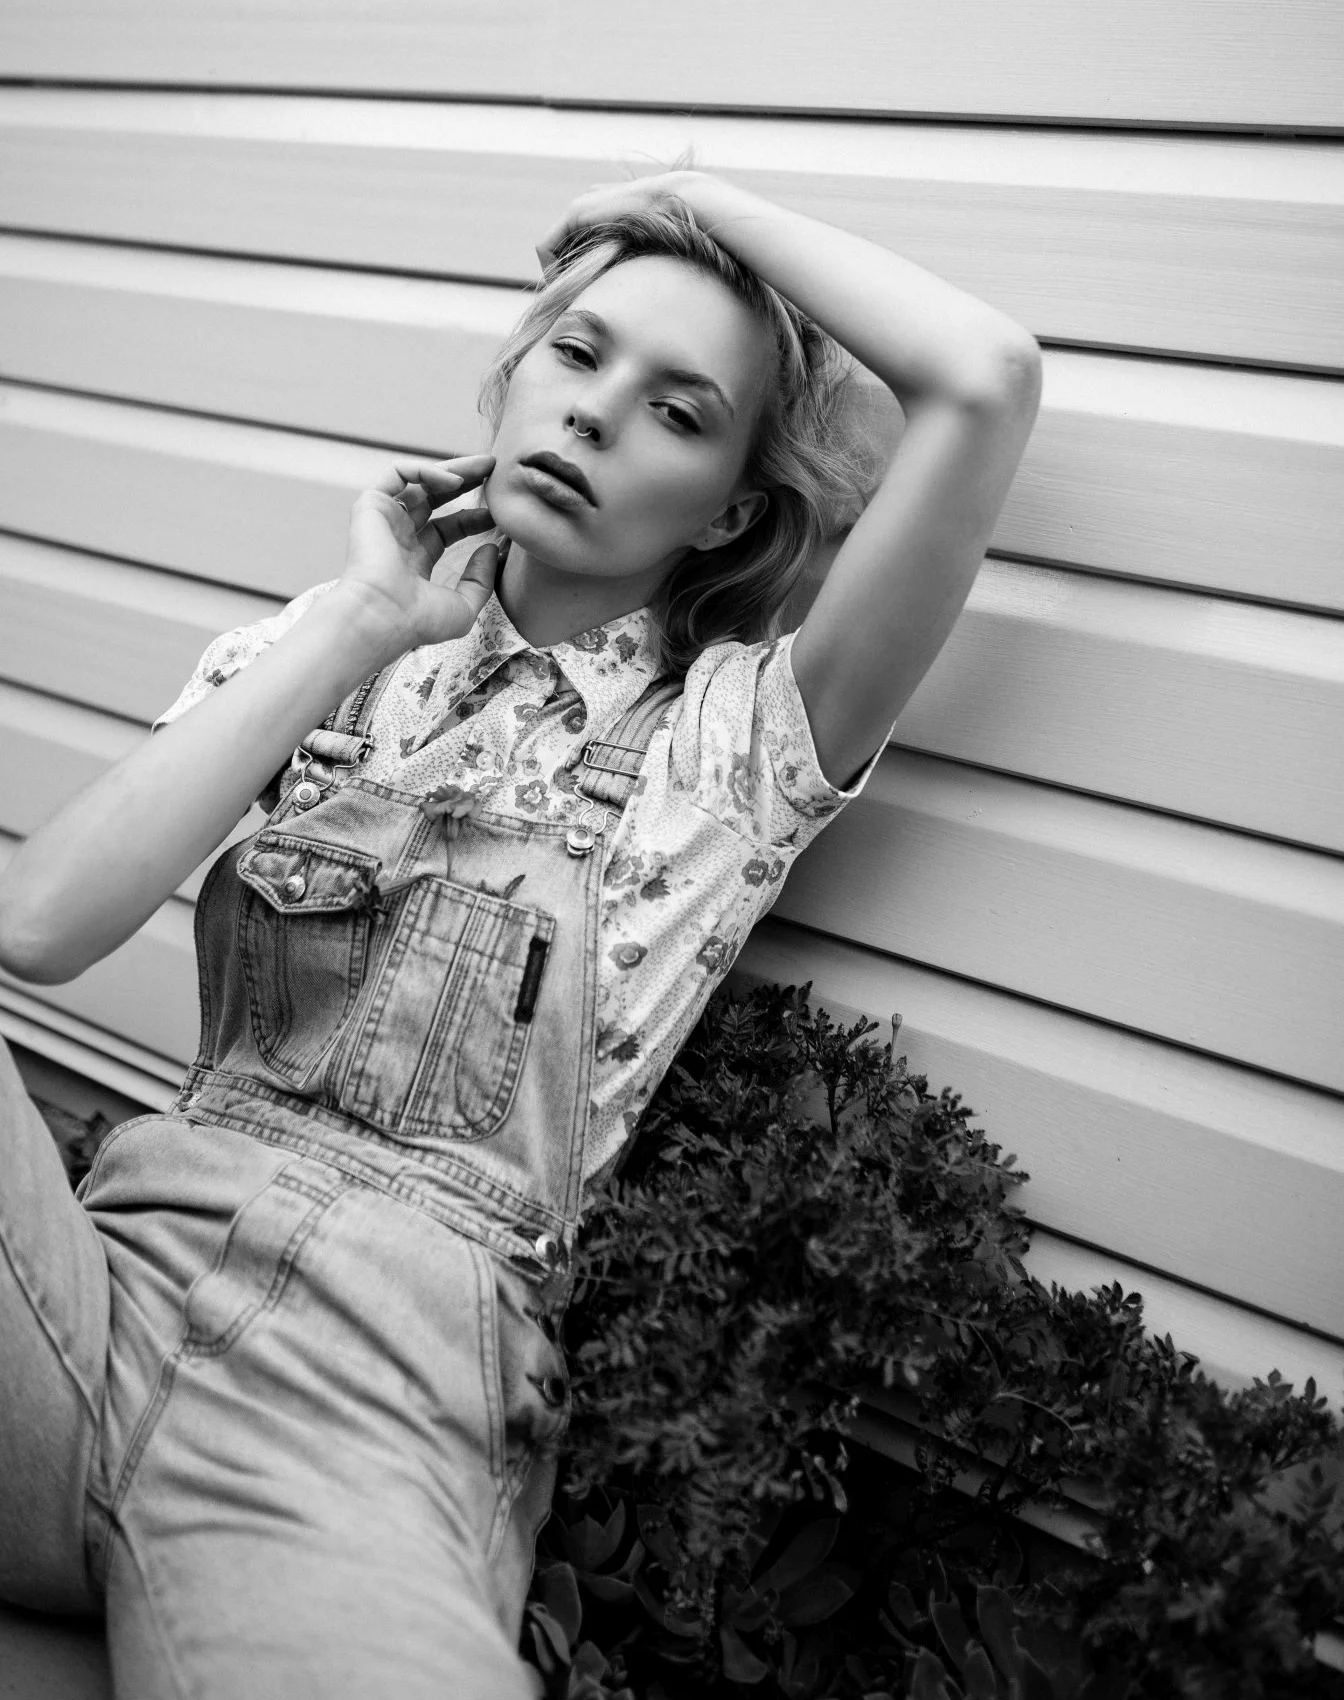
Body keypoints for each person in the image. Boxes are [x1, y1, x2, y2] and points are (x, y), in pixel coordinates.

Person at [0, 170, 1042, 1699]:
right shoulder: (323, 649)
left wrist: (687, 194)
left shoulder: (734, 753)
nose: (600, 416)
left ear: (736, 508)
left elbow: (986, 379)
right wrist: (361, 623)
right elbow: (39, 923)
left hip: (368, 1413)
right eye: (578, 353)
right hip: (84, 1303)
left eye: (681, 413)